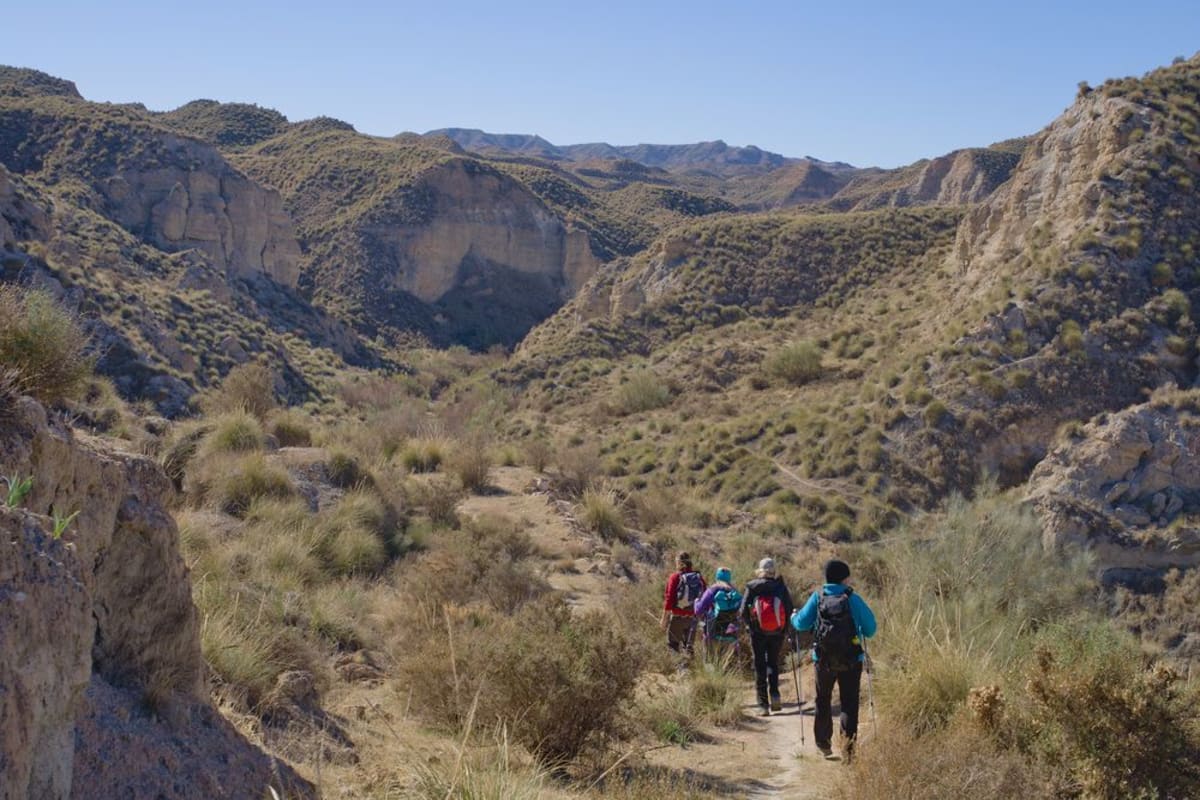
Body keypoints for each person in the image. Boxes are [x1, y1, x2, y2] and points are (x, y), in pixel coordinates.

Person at [791, 559, 877, 761]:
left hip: (823, 659)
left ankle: (823, 744)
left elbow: (801, 624)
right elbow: (871, 629)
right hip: (851, 660)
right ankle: (848, 752)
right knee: (849, 703)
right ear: (845, 578)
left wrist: (793, 617)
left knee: (823, 699)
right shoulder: (853, 599)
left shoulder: (817, 597)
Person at [740, 557, 794, 715]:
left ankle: (763, 705)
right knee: (773, 663)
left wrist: (750, 625)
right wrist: (784, 629)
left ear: (760, 571)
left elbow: (742, 611)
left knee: (759, 665)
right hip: (777, 632)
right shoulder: (781, 587)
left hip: (757, 632)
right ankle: (775, 695)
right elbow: (789, 609)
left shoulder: (752, 586)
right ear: (773, 571)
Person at [661, 551, 706, 657]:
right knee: (688, 647)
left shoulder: (675, 577)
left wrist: (664, 619)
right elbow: (704, 597)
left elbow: (669, 600)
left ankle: (679, 666)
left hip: (678, 617)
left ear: (679, 563)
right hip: (693, 619)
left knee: (673, 646)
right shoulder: (698, 577)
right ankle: (689, 666)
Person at [694, 567, 742, 655]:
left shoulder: (712, 590)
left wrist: (696, 601)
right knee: (727, 660)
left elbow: (698, 610)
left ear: (717, 577)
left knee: (710, 659)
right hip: (731, 635)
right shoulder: (735, 592)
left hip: (712, 632)